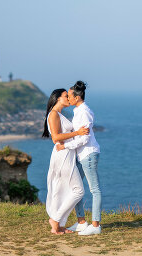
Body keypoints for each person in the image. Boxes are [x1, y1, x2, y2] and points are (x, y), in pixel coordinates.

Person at [56, 80, 102, 236]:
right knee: (75, 188)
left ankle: (95, 225)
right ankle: (82, 222)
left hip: (88, 154)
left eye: (69, 96)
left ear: (77, 97)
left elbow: (84, 139)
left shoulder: (84, 111)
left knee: (94, 190)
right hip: (81, 155)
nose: (68, 98)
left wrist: (65, 146)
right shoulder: (78, 111)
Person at [43, 88, 90, 235]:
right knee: (79, 191)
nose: (68, 98)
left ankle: (59, 225)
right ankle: (55, 220)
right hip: (62, 155)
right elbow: (55, 138)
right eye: (65, 96)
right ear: (57, 99)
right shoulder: (54, 115)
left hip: (67, 154)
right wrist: (78, 132)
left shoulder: (59, 114)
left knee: (63, 190)